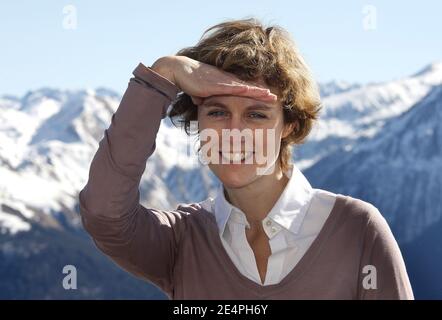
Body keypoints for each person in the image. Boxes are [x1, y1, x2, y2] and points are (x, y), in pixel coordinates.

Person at [78, 18, 414, 299]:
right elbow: (103, 213)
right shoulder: (182, 241)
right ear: (198, 122)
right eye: (218, 111)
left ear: (289, 125)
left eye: (256, 115)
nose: (234, 132)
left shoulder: (357, 231)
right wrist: (164, 73)